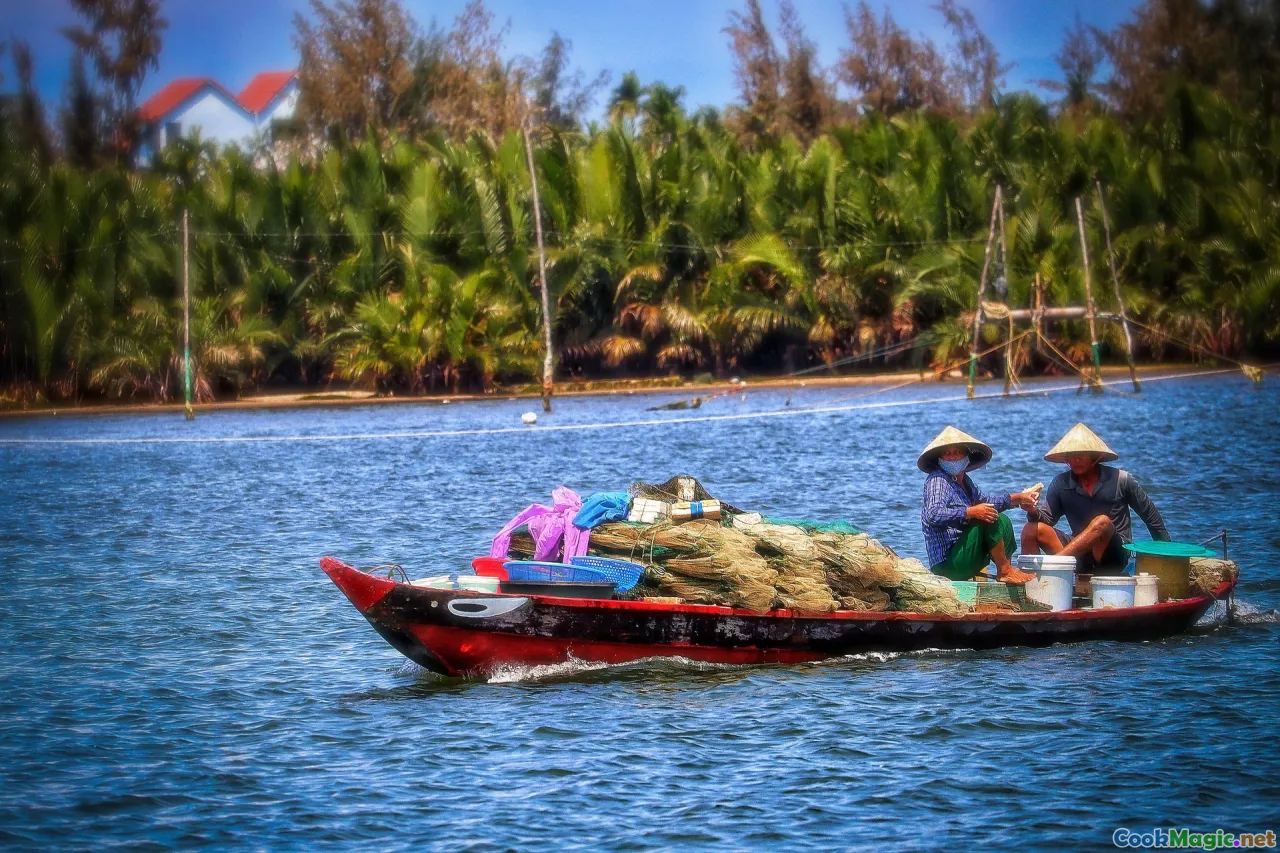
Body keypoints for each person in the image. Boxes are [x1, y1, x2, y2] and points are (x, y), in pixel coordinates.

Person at [1021, 423, 1170, 576]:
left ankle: (1054, 565)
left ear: (1095, 456)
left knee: (1102, 522)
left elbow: (1151, 518)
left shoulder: (1121, 479)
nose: (1076, 459)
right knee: (1030, 529)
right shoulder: (1061, 483)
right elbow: (1047, 520)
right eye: (1071, 455)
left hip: (1113, 556)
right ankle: (1030, 580)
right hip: (1079, 554)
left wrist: (1168, 559)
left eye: (1081, 454)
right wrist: (1031, 510)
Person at [919, 426, 1040, 584]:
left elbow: (987, 501)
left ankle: (1006, 571)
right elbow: (933, 514)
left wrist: (1018, 498)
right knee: (988, 516)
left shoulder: (965, 481)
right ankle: (1005, 571)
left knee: (1003, 519)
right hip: (948, 563)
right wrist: (970, 512)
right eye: (947, 453)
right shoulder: (938, 480)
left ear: (966, 456)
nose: (952, 457)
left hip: (965, 554)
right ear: (940, 459)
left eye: (957, 452)